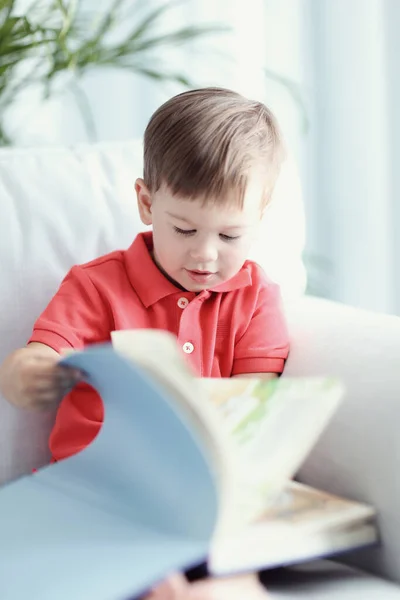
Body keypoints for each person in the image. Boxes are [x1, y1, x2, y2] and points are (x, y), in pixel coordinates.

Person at [0, 87, 289, 599]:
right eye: (183, 228)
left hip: (202, 500)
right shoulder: (96, 286)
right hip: (97, 493)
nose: (204, 255)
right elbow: (32, 361)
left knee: (240, 570)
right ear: (146, 202)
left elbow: (253, 406)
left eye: (229, 237)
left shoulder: (256, 296)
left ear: (262, 214)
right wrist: (29, 375)